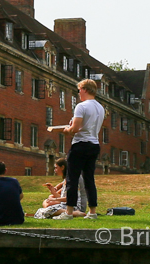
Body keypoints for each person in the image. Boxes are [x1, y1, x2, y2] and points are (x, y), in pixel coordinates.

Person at [55, 79, 104, 220]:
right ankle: (92, 212)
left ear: (84, 89)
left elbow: (75, 129)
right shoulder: (100, 108)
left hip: (80, 144)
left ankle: (69, 212)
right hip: (94, 145)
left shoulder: (81, 106)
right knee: (89, 179)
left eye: (79, 90)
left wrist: (67, 130)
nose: (78, 94)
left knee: (72, 179)